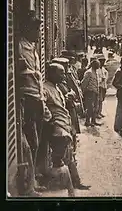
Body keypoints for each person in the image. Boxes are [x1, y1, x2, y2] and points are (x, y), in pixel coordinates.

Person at [16, 10, 52, 196]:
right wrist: (31, 73)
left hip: (37, 98)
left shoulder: (32, 48)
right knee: (31, 142)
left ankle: (33, 179)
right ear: (27, 29)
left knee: (36, 142)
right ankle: (29, 186)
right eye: (35, 29)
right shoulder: (20, 48)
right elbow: (20, 72)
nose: (38, 33)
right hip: (27, 99)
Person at [44, 63, 90, 191]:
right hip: (58, 129)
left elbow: (57, 104)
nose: (63, 76)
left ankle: (75, 183)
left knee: (69, 157)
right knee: (60, 159)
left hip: (65, 126)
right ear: (52, 74)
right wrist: (51, 119)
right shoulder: (45, 88)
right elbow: (42, 105)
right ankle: (63, 187)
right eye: (61, 73)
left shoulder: (56, 87)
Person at [80, 58, 101, 127]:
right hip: (89, 92)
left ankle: (93, 121)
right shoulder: (89, 72)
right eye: (97, 65)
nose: (98, 66)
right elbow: (84, 83)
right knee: (90, 108)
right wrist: (82, 92)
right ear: (94, 65)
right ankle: (87, 121)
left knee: (95, 107)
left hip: (95, 92)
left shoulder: (96, 72)